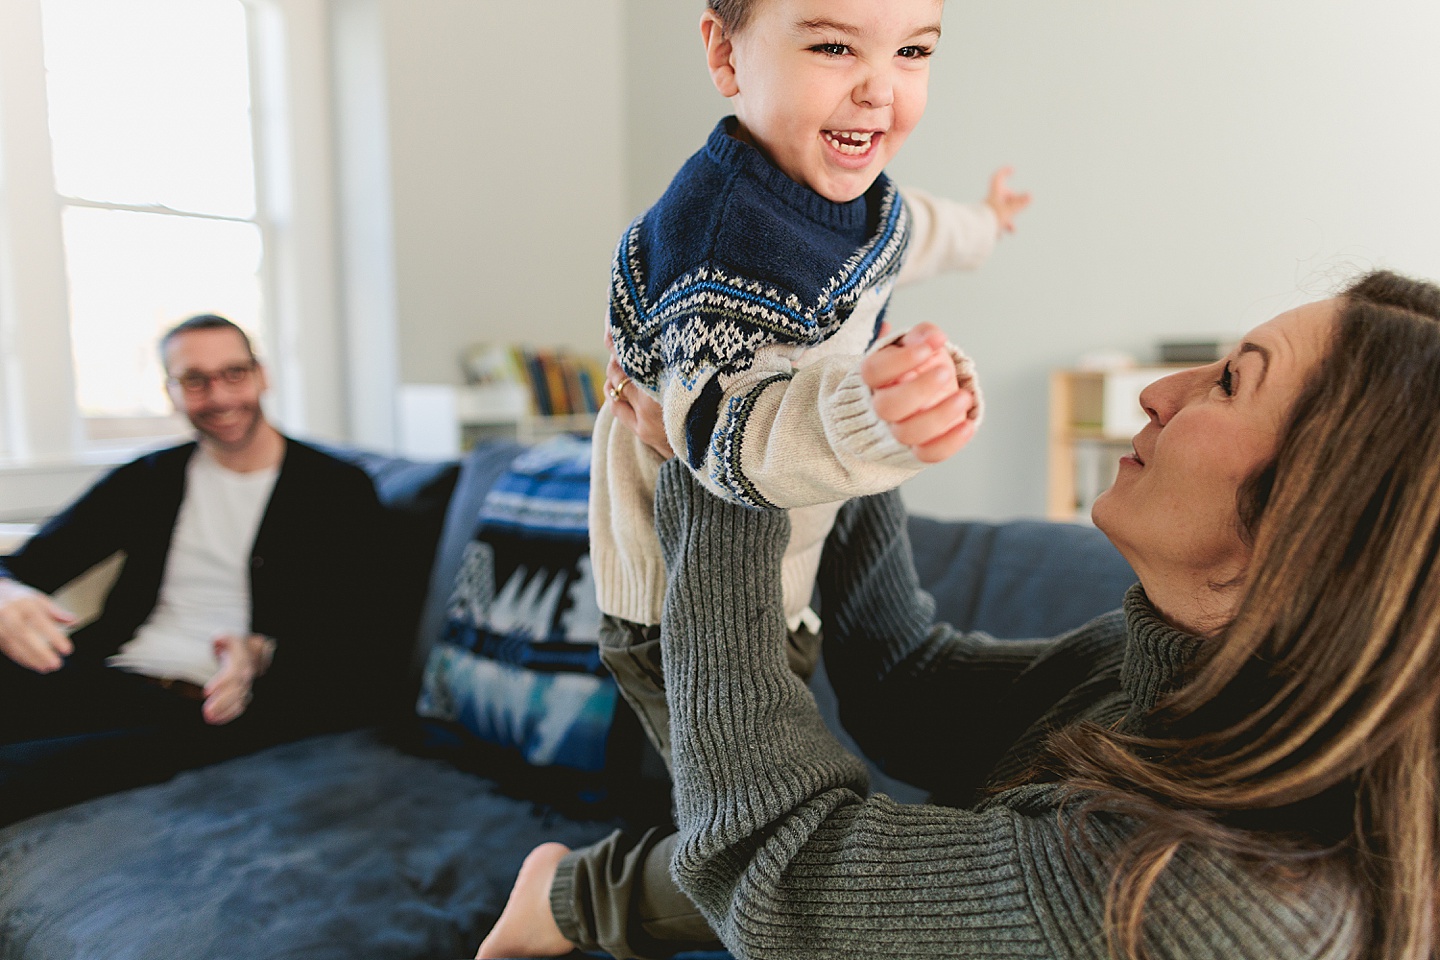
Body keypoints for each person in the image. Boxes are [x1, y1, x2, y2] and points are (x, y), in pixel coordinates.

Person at [590, 268, 1440, 960]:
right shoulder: (1185, 667)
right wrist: (850, 419)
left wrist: (725, 453)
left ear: (1321, 520)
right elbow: (907, 689)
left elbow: (775, 876)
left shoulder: (1216, 900)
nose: (1158, 392)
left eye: (1227, 383)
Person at [483, 1, 1028, 955]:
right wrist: (875, 415)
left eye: (912, 52)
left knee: (788, 779)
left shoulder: (856, 193)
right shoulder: (721, 248)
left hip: (793, 561)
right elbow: (727, 444)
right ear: (725, 52)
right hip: (684, 603)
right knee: (755, 848)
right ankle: (560, 896)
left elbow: (914, 229)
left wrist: (988, 225)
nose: (880, 86)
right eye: (832, 46)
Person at [0, 314, 389, 825]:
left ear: (262, 375)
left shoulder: (337, 489)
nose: (221, 397)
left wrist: (260, 653)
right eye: (195, 380)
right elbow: (31, 563)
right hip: (112, 675)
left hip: (215, 710)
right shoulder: (149, 478)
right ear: (172, 392)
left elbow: (363, 632)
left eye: (234, 374)